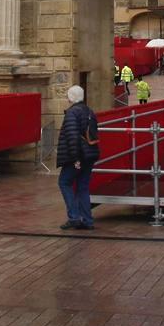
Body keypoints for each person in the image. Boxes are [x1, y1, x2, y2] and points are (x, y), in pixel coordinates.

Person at [57, 85, 100, 230]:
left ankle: (74, 217)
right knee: (83, 187)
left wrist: (75, 159)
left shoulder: (72, 113)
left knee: (64, 182)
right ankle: (87, 220)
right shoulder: (89, 111)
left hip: (77, 156)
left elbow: (72, 137)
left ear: (71, 97)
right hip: (89, 155)